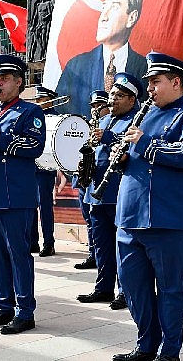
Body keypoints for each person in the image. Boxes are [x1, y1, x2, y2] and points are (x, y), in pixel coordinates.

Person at [113, 52, 183, 361]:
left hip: (171, 219)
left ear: (175, 82)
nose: (150, 89)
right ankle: (146, 344)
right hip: (131, 216)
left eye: (156, 82)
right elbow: (135, 158)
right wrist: (121, 158)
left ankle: (169, 352)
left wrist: (143, 144)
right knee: (133, 286)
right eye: (149, 83)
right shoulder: (142, 115)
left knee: (170, 290)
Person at [0, 54, 45, 335]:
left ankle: (24, 311)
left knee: (18, 254)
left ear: (18, 82)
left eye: (4, 79)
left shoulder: (30, 112)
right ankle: (3, 306)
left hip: (15, 195)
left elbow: (33, 148)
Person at [77, 72, 141, 311]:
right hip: (96, 192)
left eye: (119, 95)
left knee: (122, 246)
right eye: (112, 93)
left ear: (132, 100)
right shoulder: (103, 120)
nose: (113, 99)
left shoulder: (136, 120)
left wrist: (109, 137)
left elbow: (131, 148)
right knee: (101, 244)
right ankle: (103, 288)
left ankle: (125, 291)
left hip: (118, 193)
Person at [56, 0, 148, 117]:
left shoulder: (145, 69)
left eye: (115, 7)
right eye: (104, 7)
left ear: (131, 17)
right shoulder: (76, 66)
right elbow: (61, 113)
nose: (103, 17)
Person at [73, 90, 110, 270]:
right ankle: (92, 253)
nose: (95, 109)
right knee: (89, 221)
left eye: (99, 106)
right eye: (93, 106)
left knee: (98, 224)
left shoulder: (110, 124)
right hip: (85, 178)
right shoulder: (87, 124)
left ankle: (96, 254)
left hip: (100, 180)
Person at [31, 85, 59, 257]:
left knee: (45, 206)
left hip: (46, 168)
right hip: (31, 166)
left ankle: (49, 242)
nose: (38, 103)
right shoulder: (33, 116)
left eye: (41, 100)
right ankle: (33, 241)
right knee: (30, 205)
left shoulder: (55, 119)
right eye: (37, 100)